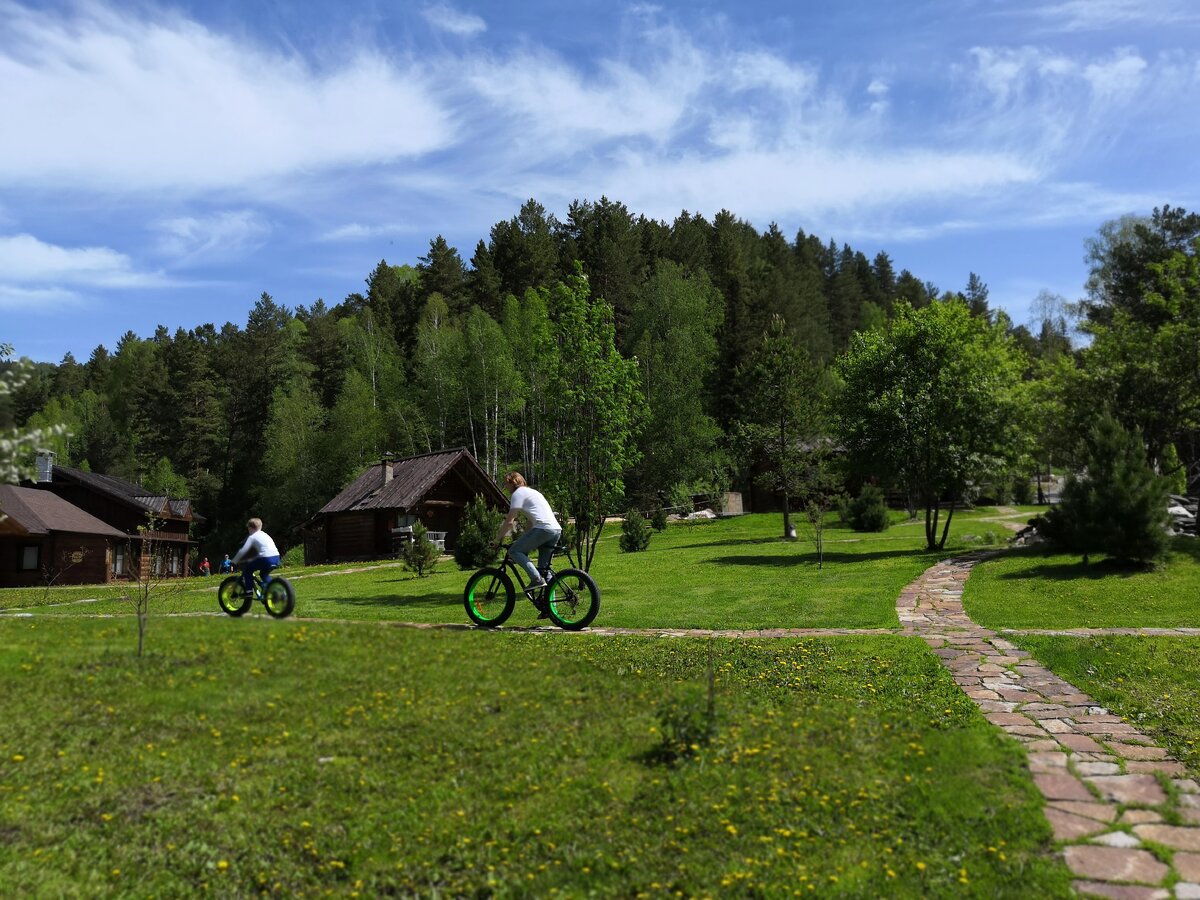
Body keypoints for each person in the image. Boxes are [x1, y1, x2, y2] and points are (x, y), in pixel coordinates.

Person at [494, 472, 562, 614]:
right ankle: (551, 610)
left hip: (543, 529)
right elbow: (531, 521)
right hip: (555, 530)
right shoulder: (533, 493)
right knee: (545, 570)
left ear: (512, 482)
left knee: (514, 551)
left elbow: (510, 521)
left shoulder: (517, 494)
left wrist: (497, 539)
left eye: (506, 484)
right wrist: (522, 539)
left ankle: (536, 579)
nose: (505, 487)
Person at [232, 518, 281, 598]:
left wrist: (235, 560)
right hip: (276, 557)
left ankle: (249, 592)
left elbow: (243, 550)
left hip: (265, 559)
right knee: (263, 574)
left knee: (247, 570)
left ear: (250, 528)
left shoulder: (252, 537)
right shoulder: (265, 535)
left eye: (248, 528)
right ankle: (272, 589)